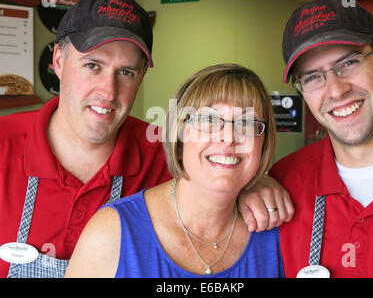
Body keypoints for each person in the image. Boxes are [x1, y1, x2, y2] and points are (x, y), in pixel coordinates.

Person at [0, 0, 292, 278]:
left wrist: (253, 182)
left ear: (141, 77)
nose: (108, 91)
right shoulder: (4, 147)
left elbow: (218, 165)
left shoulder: (164, 149)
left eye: (126, 72)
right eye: (93, 66)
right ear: (59, 62)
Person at [65, 63, 284, 278]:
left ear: (263, 146)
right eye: (208, 119)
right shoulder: (111, 233)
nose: (228, 137)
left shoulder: (278, 234)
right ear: (179, 141)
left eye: (246, 123)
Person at [242, 0, 373, 278]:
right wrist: (241, 190)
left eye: (349, 62)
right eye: (312, 77)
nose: (336, 91)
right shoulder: (284, 186)